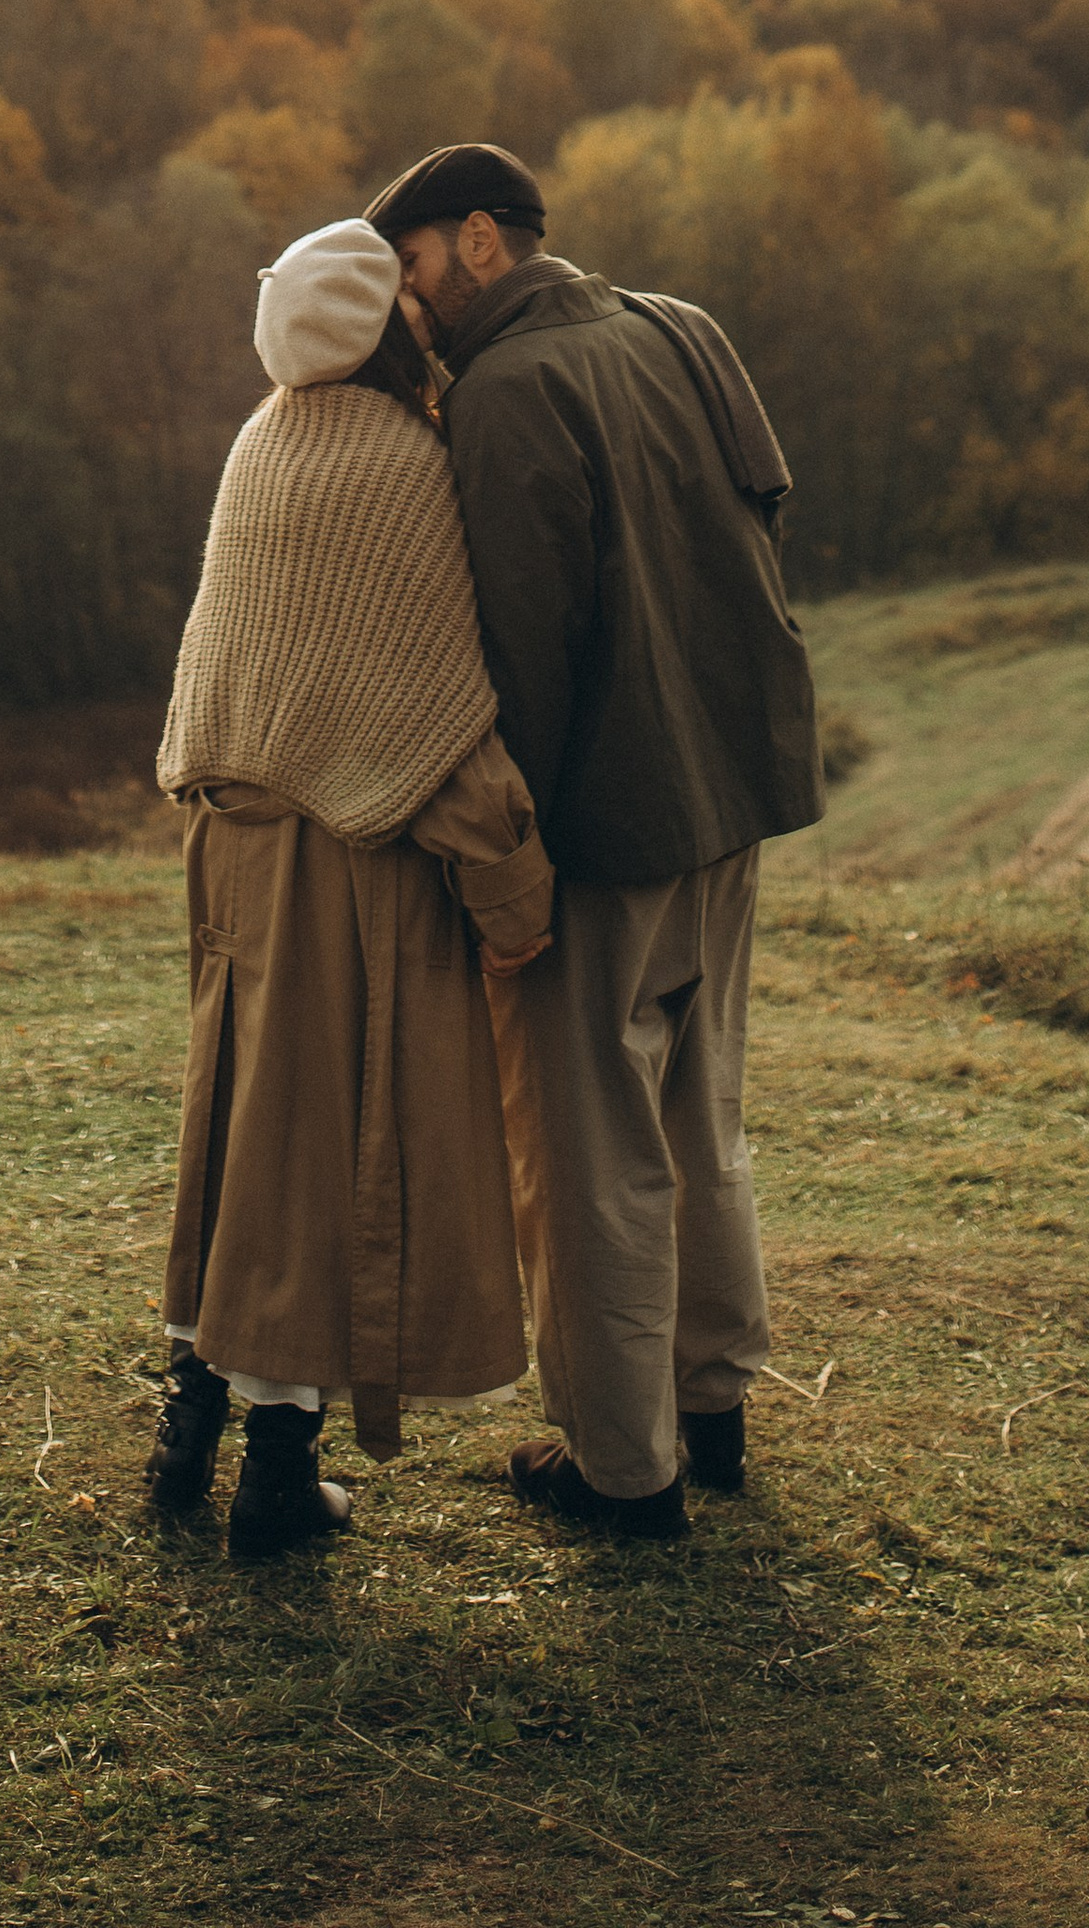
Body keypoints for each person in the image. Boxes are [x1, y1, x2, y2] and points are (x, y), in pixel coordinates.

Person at [367, 143, 823, 1540]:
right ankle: (711, 1408)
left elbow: (523, 656)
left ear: (481, 240)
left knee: (588, 1158)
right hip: (729, 790)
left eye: (413, 265)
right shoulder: (681, 327)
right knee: (701, 1112)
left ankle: (625, 1473)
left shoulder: (503, 391)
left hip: (602, 823)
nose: (406, 301)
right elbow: (766, 518)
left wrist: (507, 865)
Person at [151, 217, 556, 1560]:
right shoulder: (400, 463)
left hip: (229, 846)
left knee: (232, 1130)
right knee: (318, 1153)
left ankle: (185, 1426)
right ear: (388, 327)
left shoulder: (258, 442)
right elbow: (433, 713)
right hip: (345, 857)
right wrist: (514, 893)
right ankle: (276, 1473)